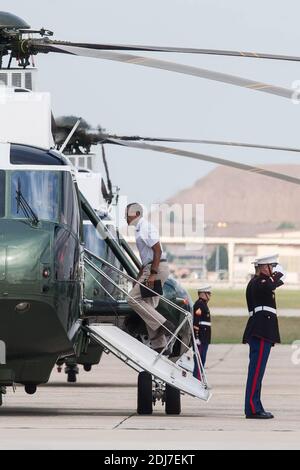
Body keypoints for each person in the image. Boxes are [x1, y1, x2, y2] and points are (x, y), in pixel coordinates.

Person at [126, 203, 175, 353]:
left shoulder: (145, 227)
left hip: (157, 268)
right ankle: (160, 345)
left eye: (126, 214)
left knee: (132, 299)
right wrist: (138, 278)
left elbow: (157, 251)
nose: (124, 217)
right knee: (148, 307)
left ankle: (166, 325)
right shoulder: (139, 229)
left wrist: (153, 274)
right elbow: (145, 259)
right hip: (151, 268)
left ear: (135, 214)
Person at [243, 254, 284, 420]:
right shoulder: (259, 282)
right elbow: (270, 285)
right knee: (256, 372)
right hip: (260, 331)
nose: (272, 270)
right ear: (262, 267)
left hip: (263, 331)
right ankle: (253, 408)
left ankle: (255, 406)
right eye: (270, 267)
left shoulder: (261, 282)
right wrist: (278, 274)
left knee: (257, 372)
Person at [193, 285, 212, 379]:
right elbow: (196, 322)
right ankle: (197, 379)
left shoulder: (203, 304)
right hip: (201, 337)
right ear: (202, 294)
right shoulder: (199, 304)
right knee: (199, 359)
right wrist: (196, 338)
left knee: (202, 359)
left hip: (204, 337)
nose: (210, 295)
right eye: (208, 293)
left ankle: (199, 378)